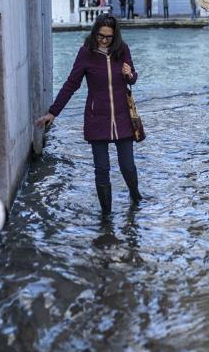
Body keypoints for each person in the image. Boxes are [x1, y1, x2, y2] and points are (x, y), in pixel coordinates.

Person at [34, 14, 141, 215]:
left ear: (115, 36)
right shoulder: (86, 53)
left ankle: (136, 198)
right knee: (102, 170)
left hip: (123, 117)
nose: (104, 40)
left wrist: (130, 75)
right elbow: (71, 84)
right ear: (95, 33)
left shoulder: (122, 50)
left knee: (127, 166)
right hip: (96, 118)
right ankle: (106, 216)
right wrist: (53, 112)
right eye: (100, 35)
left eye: (108, 37)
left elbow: (132, 78)